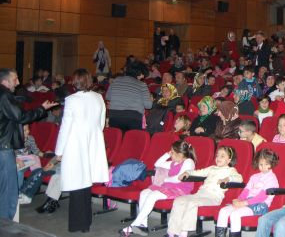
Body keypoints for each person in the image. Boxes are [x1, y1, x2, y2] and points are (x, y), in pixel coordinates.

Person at [55, 68, 109, 233]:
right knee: (86, 183)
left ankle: (79, 223)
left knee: (77, 183)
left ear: (75, 82)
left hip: (75, 144)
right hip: (93, 143)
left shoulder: (71, 100)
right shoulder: (98, 97)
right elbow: (101, 124)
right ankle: (86, 222)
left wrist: (59, 151)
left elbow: (65, 127)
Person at [120, 140, 196, 236]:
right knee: (144, 193)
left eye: (172, 152)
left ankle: (134, 225)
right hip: (168, 188)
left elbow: (179, 179)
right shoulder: (173, 163)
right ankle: (143, 225)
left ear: (180, 154)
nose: (170, 154)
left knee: (152, 195)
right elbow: (157, 164)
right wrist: (167, 155)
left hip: (180, 190)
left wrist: (166, 179)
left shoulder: (189, 162)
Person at [168, 146, 243, 236]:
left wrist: (228, 179)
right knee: (179, 200)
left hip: (213, 197)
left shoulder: (230, 170)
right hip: (200, 194)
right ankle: (172, 231)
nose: (218, 158)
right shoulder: (212, 168)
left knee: (192, 203)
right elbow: (198, 172)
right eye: (217, 155)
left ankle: (184, 232)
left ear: (229, 160)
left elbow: (239, 178)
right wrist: (187, 172)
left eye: (222, 156)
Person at [216, 149, 280, 237]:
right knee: (223, 211)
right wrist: (239, 200)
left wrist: (243, 203)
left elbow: (262, 197)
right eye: (261, 164)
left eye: (266, 164)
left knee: (235, 214)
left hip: (260, 205)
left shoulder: (272, 179)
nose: (263, 167)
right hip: (247, 202)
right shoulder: (254, 177)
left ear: (272, 163)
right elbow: (246, 191)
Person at [107, 61, 153, 131]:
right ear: (138, 73)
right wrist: (151, 99)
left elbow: (108, 97)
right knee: (132, 138)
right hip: (133, 118)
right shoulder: (142, 85)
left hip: (114, 116)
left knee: (116, 137)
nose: (143, 77)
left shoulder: (116, 80)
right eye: (142, 74)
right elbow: (148, 105)